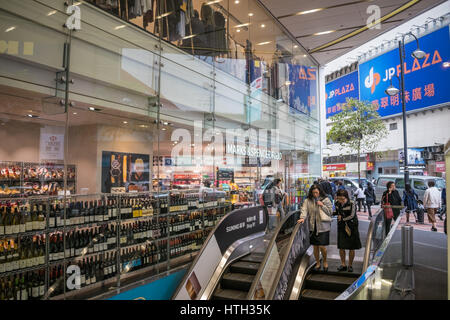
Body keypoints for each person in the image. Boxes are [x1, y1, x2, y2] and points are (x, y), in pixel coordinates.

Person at [298, 185, 333, 272]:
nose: (315, 194)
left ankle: (325, 261)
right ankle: (317, 262)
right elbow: (304, 210)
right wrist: (302, 217)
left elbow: (330, 212)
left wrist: (322, 205)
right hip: (313, 227)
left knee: (322, 246)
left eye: (317, 192)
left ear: (320, 192)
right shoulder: (308, 200)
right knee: (315, 247)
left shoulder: (326, 200)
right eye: (313, 193)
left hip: (323, 227)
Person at [334, 189, 362, 272]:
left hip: (352, 226)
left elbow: (352, 215)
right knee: (341, 246)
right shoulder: (337, 203)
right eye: (339, 199)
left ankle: (350, 265)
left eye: (342, 199)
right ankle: (343, 264)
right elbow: (336, 212)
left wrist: (342, 218)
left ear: (346, 197)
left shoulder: (352, 203)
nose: (341, 201)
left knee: (351, 247)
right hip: (342, 226)